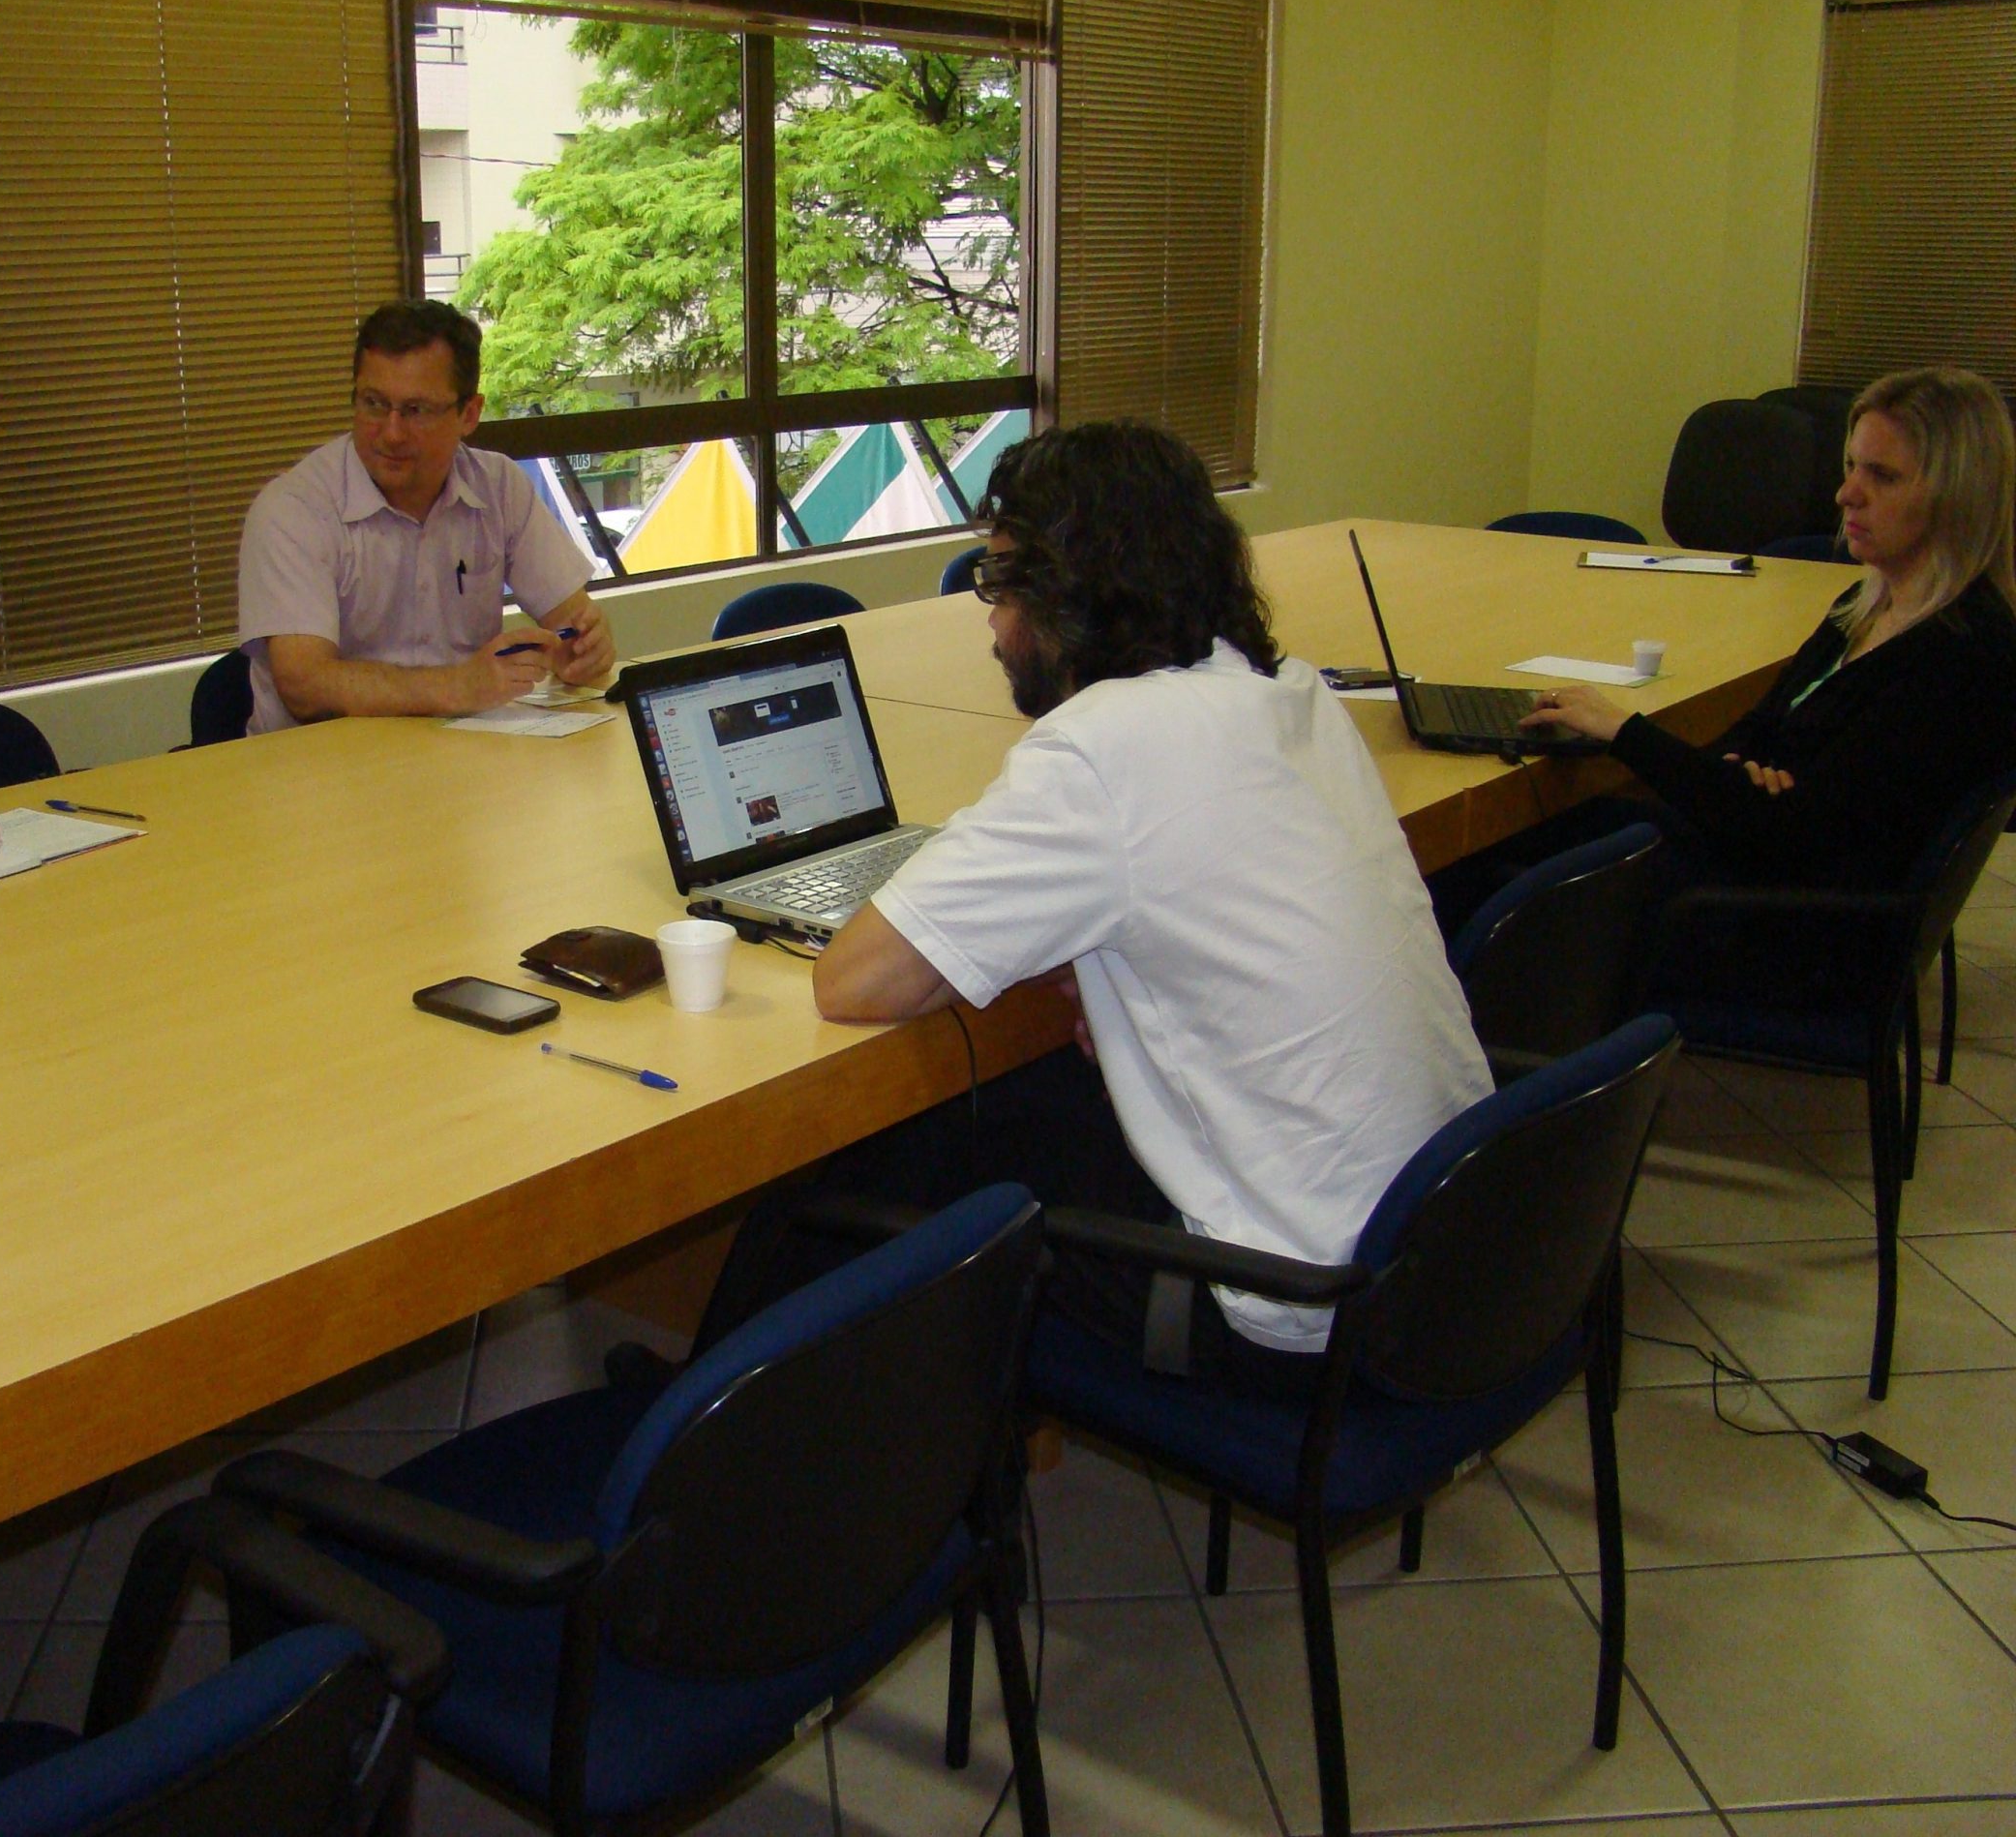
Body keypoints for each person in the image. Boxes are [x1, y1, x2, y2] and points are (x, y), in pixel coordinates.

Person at [704, 421, 1493, 1392]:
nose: (989, 622)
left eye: (996, 583)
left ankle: (700, 1460)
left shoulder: (1104, 748)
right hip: (1442, 1241)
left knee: (852, 1171)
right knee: (1015, 1097)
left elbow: (853, 981)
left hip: (1287, 1306)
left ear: (1069, 590)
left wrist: (978, 859)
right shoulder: (1286, 698)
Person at [1519, 365, 2016, 894]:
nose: (1847, 494)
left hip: (1776, 920)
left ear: (1958, 495)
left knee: (1505, 870)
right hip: (1743, 853)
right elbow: (1759, 736)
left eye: (1883, 476)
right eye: (1850, 466)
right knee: (1536, 841)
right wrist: (1738, 778)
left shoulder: (1963, 655)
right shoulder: (1865, 605)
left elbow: (1797, 833)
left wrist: (1624, 732)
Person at [237, 300, 614, 732]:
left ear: (469, 414)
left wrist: (585, 649)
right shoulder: (294, 509)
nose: (392, 433)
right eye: (374, 404)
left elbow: (572, 619)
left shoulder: (499, 487)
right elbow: (305, 684)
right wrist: (457, 686)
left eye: (415, 411)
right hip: (318, 774)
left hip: (461, 759)